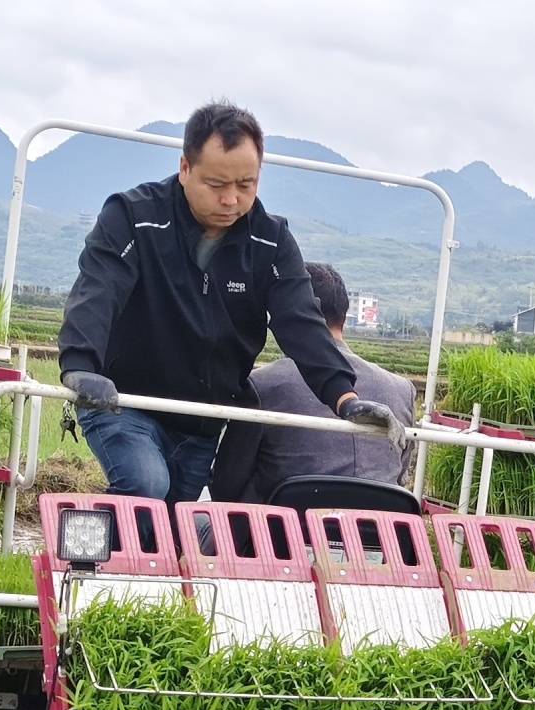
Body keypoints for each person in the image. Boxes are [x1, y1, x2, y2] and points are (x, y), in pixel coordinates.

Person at [56, 100, 394, 504]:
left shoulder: (270, 242)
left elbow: (301, 322)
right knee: (145, 487)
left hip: (203, 421)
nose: (231, 200)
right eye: (217, 185)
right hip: (125, 403)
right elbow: (99, 289)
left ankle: (128, 565)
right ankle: (91, 564)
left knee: (176, 518)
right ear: (185, 168)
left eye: (245, 185)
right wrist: (79, 366)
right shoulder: (134, 218)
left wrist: (345, 398)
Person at [209, 262, 415, 502]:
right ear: (344, 316)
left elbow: (226, 485)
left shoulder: (261, 385)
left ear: (294, 314)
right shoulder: (401, 390)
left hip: (282, 533)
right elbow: (399, 477)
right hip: (378, 531)